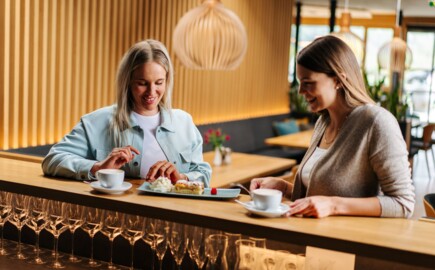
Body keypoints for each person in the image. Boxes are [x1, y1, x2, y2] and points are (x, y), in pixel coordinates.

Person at [250, 35, 415, 218]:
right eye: (299, 83)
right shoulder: (324, 122)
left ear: (338, 80)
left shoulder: (376, 122)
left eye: (308, 83)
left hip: (349, 243)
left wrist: (334, 205)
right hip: (314, 238)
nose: (300, 92)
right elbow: (319, 197)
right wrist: (284, 187)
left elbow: (403, 204)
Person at [42, 39, 211, 186]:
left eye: (159, 82)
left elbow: (203, 174)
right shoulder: (95, 122)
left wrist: (181, 178)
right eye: (142, 83)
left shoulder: (184, 122)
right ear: (128, 82)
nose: (151, 92)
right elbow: (52, 160)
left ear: (167, 81)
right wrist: (98, 168)